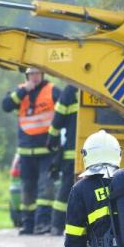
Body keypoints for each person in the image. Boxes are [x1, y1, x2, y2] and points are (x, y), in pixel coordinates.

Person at [1, 67, 60, 234]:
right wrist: (22, 92)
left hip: (47, 151)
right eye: (31, 74)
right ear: (27, 76)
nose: (34, 77)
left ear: (42, 74)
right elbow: (6, 105)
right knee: (27, 190)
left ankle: (43, 224)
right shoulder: (21, 91)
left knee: (46, 188)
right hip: (26, 152)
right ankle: (28, 224)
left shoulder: (52, 90)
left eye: (37, 73)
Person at [46, 84, 79, 236]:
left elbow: (58, 118)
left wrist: (52, 139)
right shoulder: (103, 85)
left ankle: (57, 225)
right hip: (101, 152)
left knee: (66, 189)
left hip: (73, 152)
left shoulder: (70, 90)